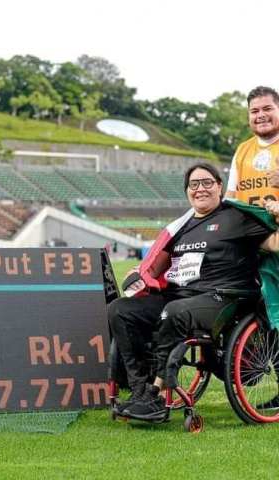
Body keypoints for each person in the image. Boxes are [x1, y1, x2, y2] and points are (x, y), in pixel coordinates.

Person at [108, 163, 279, 422]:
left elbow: (275, 244)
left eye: (207, 182)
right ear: (187, 191)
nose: (201, 189)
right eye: (194, 184)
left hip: (222, 296)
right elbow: (155, 266)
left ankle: (155, 393)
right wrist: (140, 272)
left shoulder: (238, 217)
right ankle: (140, 390)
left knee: (174, 312)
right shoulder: (182, 226)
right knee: (120, 310)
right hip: (178, 295)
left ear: (220, 187)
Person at [225, 86, 279, 206]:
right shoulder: (242, 150)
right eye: (254, 111)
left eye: (267, 109)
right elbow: (231, 195)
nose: (261, 115)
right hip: (247, 224)